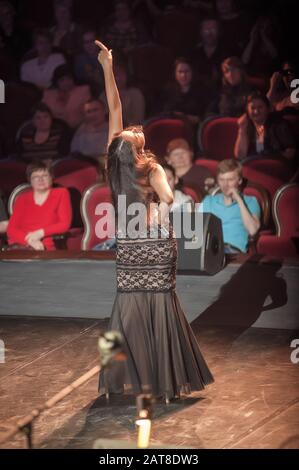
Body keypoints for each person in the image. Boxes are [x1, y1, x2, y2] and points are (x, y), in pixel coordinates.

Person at [95, 40, 214, 402]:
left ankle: (122, 379)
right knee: (156, 305)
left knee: (129, 305)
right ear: (131, 147)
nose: (133, 128)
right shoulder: (151, 166)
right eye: (132, 132)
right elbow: (168, 199)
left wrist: (106, 67)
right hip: (150, 243)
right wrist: (156, 225)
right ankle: (163, 381)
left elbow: (113, 106)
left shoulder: (114, 163)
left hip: (133, 244)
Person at [7, 161, 72, 251]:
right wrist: (30, 241)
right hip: (21, 245)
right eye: (35, 177)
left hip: (46, 246)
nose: (40, 179)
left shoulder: (61, 193)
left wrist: (39, 233)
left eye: (44, 176)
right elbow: (12, 229)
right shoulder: (22, 199)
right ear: (30, 180)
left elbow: (65, 224)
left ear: (51, 177)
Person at [201, 159, 261, 254]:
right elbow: (196, 231)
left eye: (230, 180)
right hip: (210, 250)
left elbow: (252, 230)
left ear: (240, 180)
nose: (225, 185)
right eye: (221, 180)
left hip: (232, 251)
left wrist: (239, 200)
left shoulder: (250, 201)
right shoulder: (209, 200)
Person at [234, 92, 296, 161]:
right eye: (252, 108)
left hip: (275, 165)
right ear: (247, 111)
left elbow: (291, 153)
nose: (256, 111)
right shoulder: (246, 125)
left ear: (268, 109)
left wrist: (270, 158)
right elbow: (240, 156)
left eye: (260, 107)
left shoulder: (280, 124)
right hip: (253, 166)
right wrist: (242, 129)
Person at [43, 64, 91, 129]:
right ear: (56, 82)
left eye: (69, 79)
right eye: (62, 80)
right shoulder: (48, 94)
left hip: (79, 128)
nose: (66, 82)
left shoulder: (83, 91)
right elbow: (42, 112)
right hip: (54, 129)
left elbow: (89, 112)